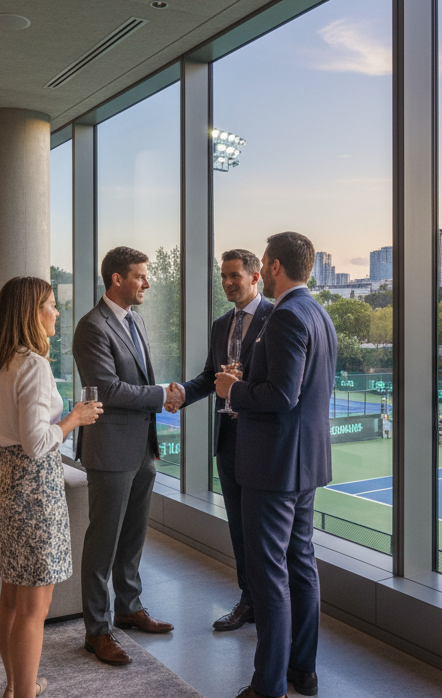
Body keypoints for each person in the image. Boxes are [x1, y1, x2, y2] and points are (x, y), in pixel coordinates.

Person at [215, 231, 335, 698]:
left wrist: (232, 391)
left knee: (269, 577)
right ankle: (301, 671)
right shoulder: (318, 313)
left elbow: (282, 396)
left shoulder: (285, 316)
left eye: (263, 264)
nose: (261, 271)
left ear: (275, 267)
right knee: (300, 563)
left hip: (273, 466)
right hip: (305, 464)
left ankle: (268, 685)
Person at [0, 277, 103, 698]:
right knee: (34, 607)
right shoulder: (32, 364)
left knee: (11, 597)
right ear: (32, 312)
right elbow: (37, 443)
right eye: (51, 305)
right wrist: (74, 419)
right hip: (32, 486)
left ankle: (17, 686)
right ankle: (25, 693)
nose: (57, 313)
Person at [72, 246, 175, 667]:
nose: (147, 283)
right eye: (140, 276)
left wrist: (157, 397)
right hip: (110, 451)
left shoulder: (137, 321)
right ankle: (97, 631)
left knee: (132, 539)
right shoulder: (91, 328)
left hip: (142, 450)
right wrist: (161, 395)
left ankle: (129, 608)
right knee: (103, 544)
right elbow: (109, 390)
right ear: (117, 279)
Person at [166, 249, 273, 632]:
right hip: (228, 441)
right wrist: (178, 395)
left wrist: (240, 388)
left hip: (263, 443)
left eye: (234, 276)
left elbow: (276, 385)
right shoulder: (219, 325)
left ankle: (271, 606)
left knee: (266, 533)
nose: (227, 283)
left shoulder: (277, 318)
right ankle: (249, 600)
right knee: (240, 529)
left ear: (255, 276)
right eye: (223, 276)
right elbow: (211, 377)